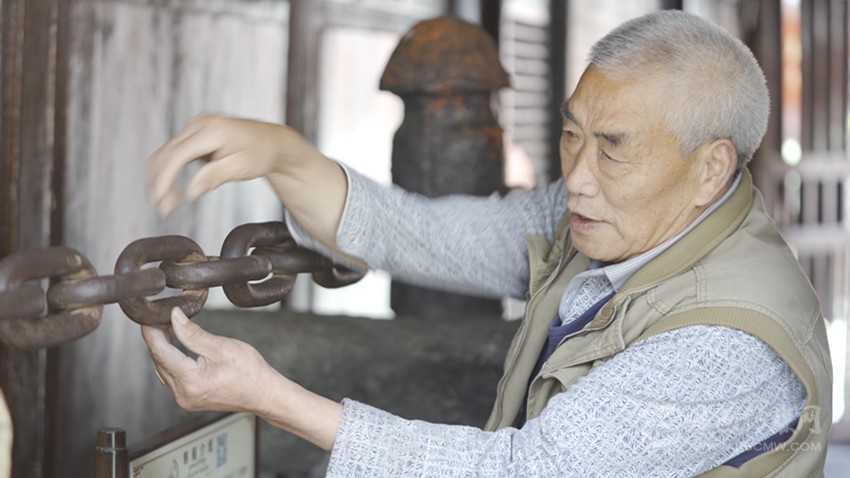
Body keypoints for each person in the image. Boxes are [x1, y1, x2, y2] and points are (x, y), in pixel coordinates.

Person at [142, 10, 832, 477]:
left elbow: (524, 471)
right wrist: (286, 157)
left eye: (614, 149)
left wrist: (269, 397)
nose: (578, 178)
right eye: (571, 135)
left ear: (710, 168)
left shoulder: (728, 343)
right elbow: (430, 237)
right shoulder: (612, 219)